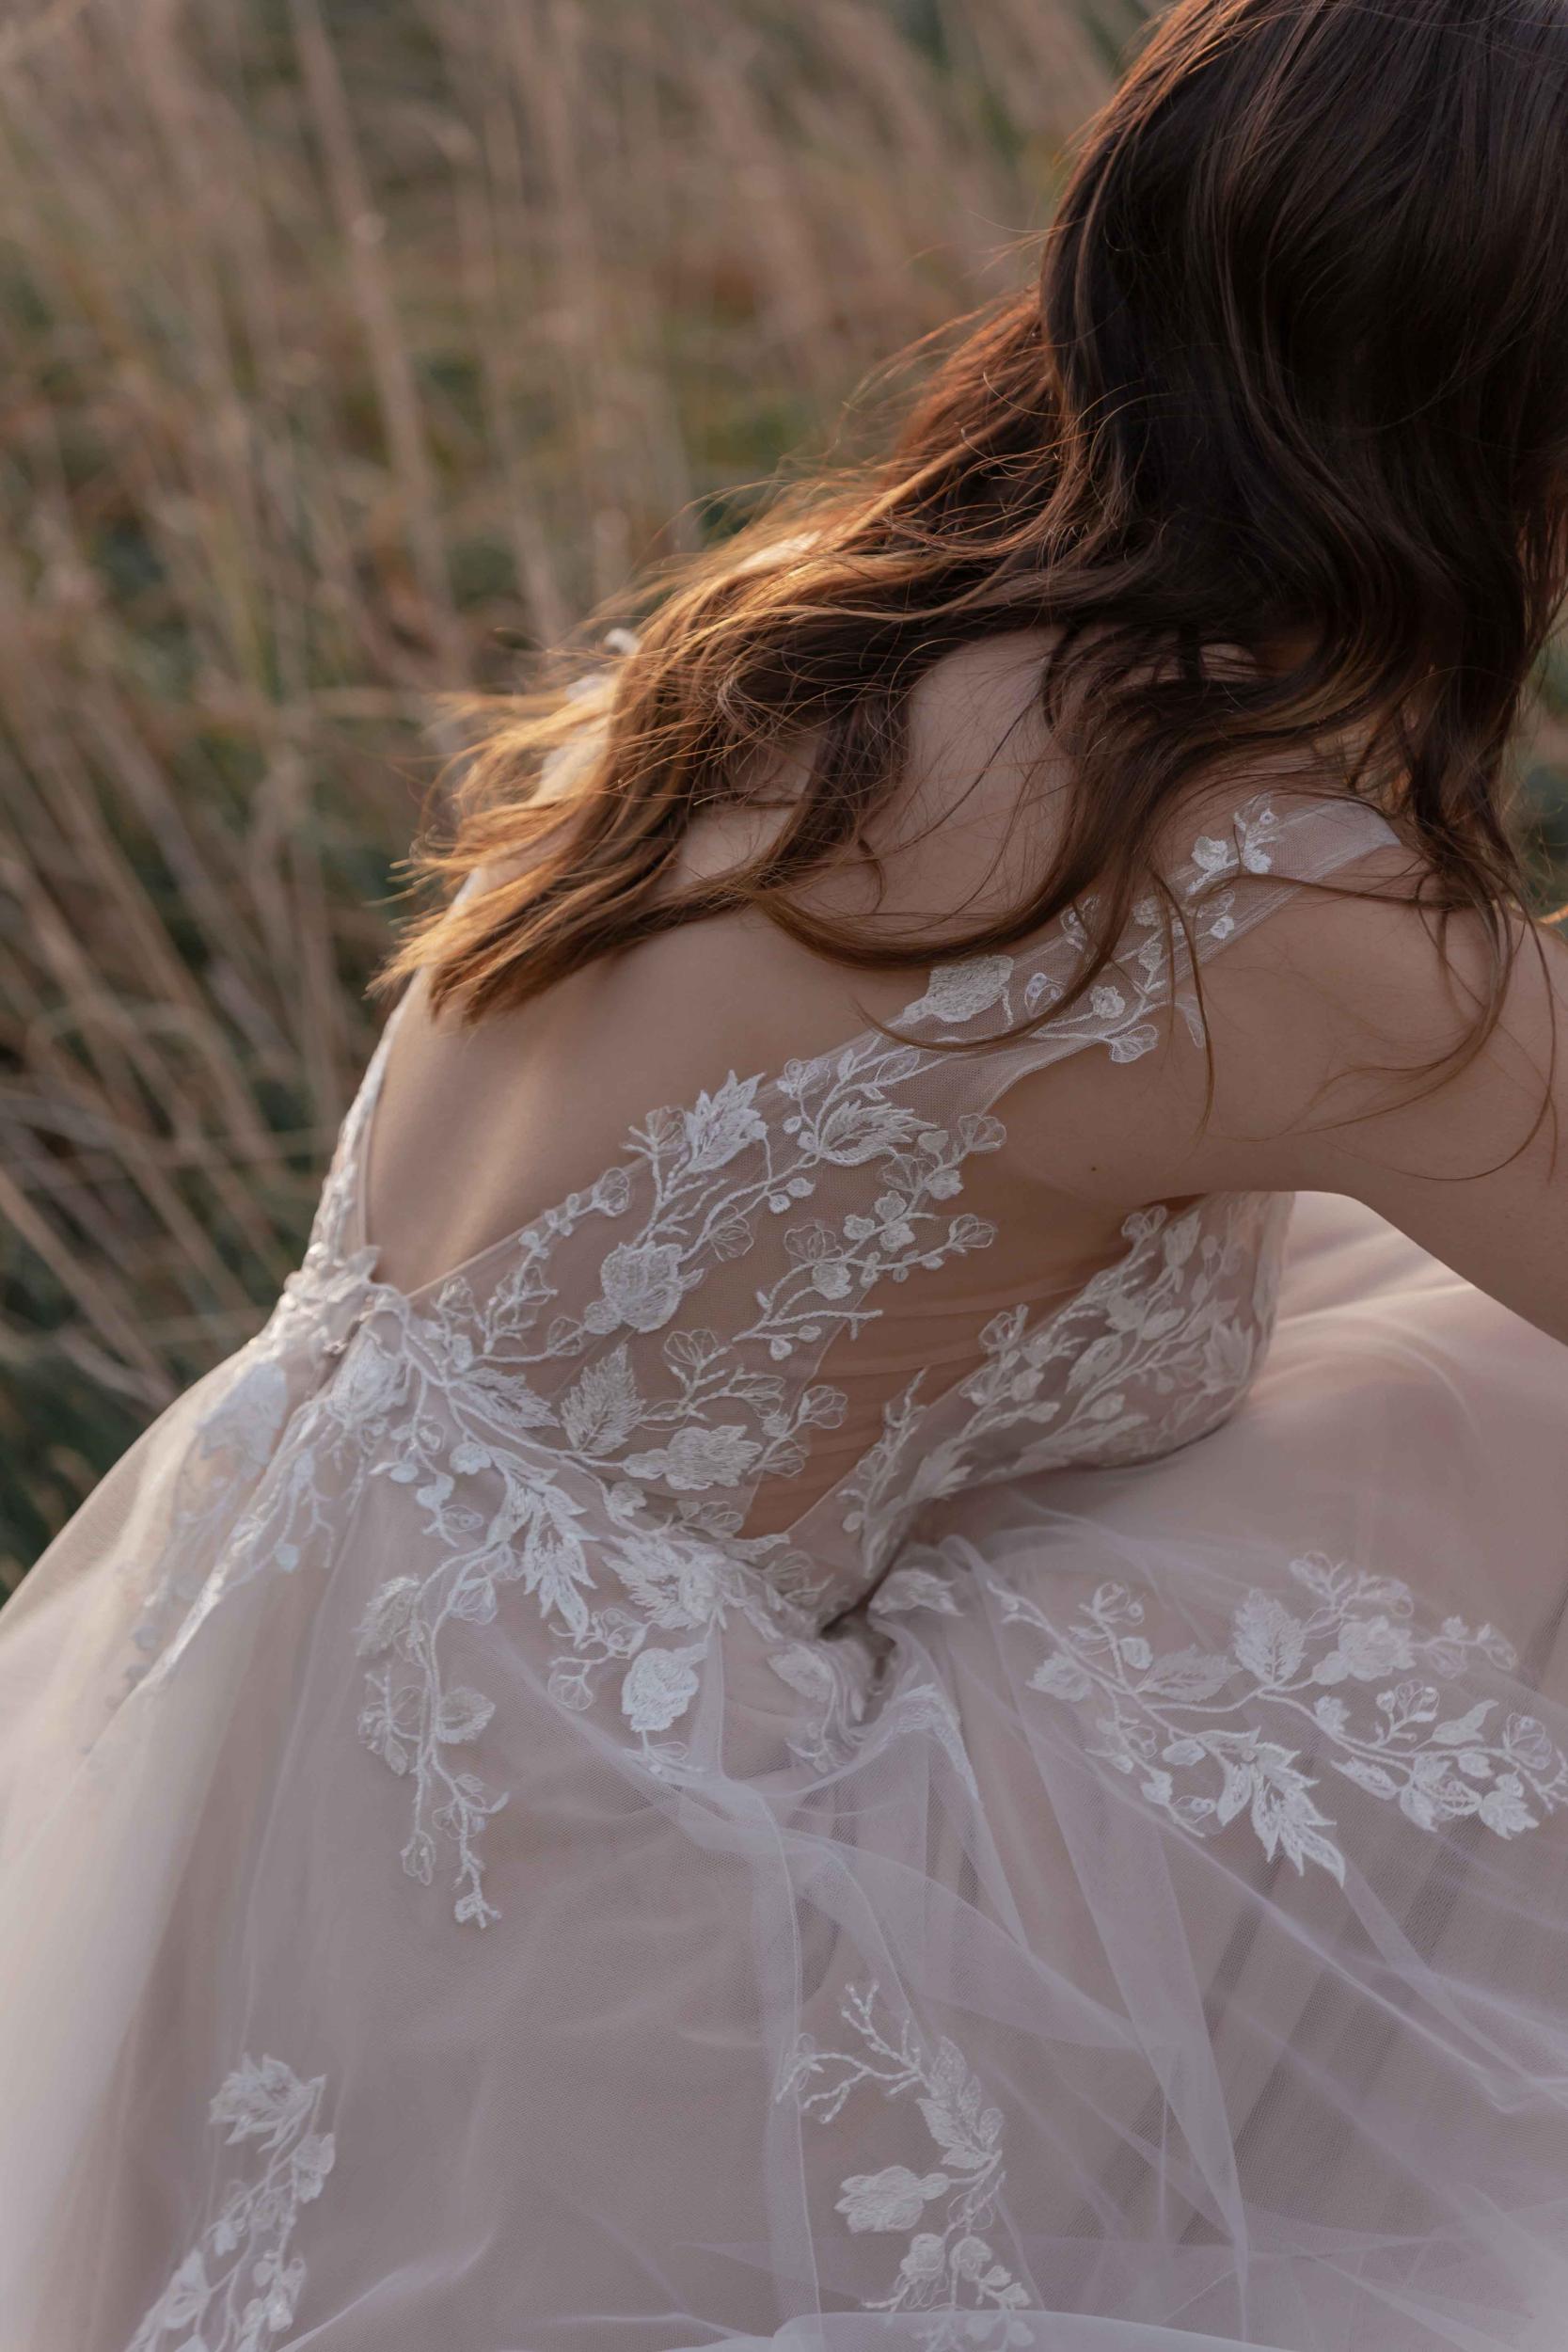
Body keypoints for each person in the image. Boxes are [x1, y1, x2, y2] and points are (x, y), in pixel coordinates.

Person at [4, 1, 1568, 2344]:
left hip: (283, 1775)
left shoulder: (834, 624)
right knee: (1525, 1412)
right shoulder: (1251, 899)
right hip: (632, 1945)